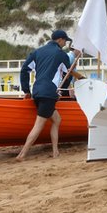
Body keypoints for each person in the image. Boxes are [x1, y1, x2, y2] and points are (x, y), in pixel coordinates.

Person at [17, 30, 72, 160]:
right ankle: (22, 154)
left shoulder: (37, 51)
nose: (65, 44)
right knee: (39, 124)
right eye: (65, 41)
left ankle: (55, 152)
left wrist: (27, 90)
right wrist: (61, 91)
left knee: (57, 119)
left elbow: (24, 70)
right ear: (59, 40)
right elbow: (67, 76)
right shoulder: (61, 55)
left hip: (37, 91)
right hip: (49, 93)